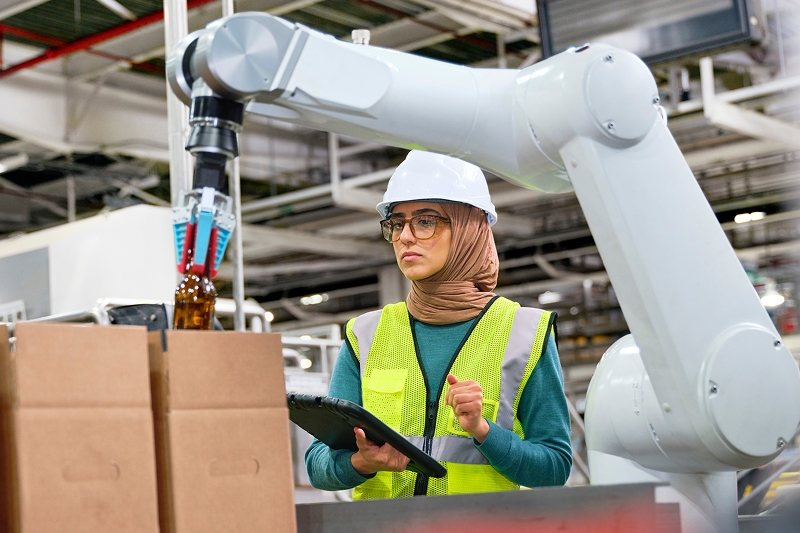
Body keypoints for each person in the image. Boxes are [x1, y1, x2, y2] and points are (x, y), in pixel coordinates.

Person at [305, 151, 572, 499]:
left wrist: (483, 431)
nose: (405, 237)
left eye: (425, 221)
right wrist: (362, 463)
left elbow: (554, 468)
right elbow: (317, 463)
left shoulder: (524, 333)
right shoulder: (365, 335)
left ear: (467, 228)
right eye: (397, 223)